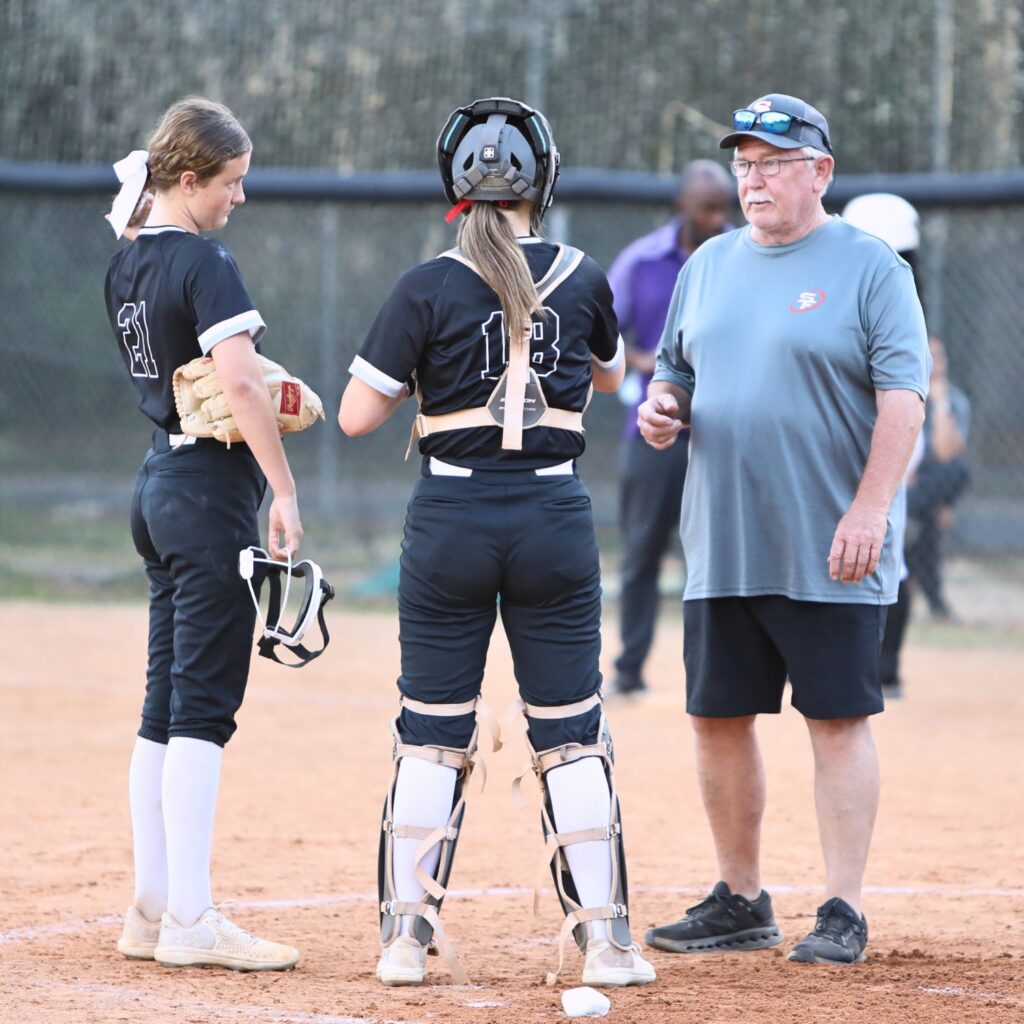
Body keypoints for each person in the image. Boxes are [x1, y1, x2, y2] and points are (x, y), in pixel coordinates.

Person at [338, 96, 656, 990]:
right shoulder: (586, 274)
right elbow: (607, 375)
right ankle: (606, 940)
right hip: (554, 517)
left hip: (451, 519)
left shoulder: (426, 284)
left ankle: (405, 937)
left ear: (454, 183)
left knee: (433, 730)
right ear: (541, 182)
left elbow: (361, 417)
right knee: (570, 731)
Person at [638, 94, 930, 966]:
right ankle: (740, 897)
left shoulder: (870, 266)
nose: (753, 178)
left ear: (820, 172)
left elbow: (903, 400)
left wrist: (871, 507)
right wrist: (664, 408)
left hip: (832, 540)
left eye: (772, 162)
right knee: (717, 717)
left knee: (837, 719)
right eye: (745, 162)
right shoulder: (711, 265)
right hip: (724, 538)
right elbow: (679, 374)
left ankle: (842, 907)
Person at [105, 97, 304, 971]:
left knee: (162, 706)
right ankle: (190, 917)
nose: (239, 198)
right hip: (209, 492)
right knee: (202, 712)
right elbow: (242, 384)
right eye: (230, 181)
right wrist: (285, 490)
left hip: (157, 483)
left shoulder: (125, 261)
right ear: (188, 180)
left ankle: (151, 907)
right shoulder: (203, 259)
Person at [607, 160, 733, 697]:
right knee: (642, 554)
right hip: (654, 434)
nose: (719, 217)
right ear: (682, 205)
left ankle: (723, 675)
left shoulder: (741, 256)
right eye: (708, 206)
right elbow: (602, 337)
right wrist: (651, 368)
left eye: (724, 206)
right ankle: (629, 671)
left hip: (726, 435)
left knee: (723, 557)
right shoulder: (640, 261)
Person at [904, 335, 971, 619]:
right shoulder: (902, 394)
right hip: (901, 483)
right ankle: (936, 603)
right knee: (929, 518)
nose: (933, 366)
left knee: (959, 469)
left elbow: (945, 454)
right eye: (927, 358)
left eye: (938, 358)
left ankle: (911, 513)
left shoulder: (955, 401)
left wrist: (940, 401)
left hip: (923, 491)